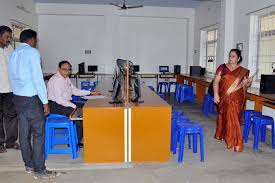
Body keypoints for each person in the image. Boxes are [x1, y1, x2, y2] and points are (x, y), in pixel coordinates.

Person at [8, 29, 59, 179]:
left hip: (17, 98)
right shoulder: (33, 53)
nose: (36, 42)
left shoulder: (13, 54)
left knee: (23, 135)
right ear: (31, 40)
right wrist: (45, 102)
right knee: (38, 134)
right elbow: (38, 79)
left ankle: (29, 166)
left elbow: (12, 77)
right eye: (36, 40)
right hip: (31, 99)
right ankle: (40, 170)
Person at [47, 60, 100, 147]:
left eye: (69, 70)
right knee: (78, 113)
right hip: (55, 105)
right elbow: (59, 100)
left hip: (65, 102)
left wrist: (90, 92)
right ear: (59, 69)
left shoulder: (66, 78)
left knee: (87, 107)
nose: (67, 72)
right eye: (64, 69)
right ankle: (75, 142)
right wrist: (74, 106)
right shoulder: (56, 80)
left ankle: (84, 135)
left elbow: (74, 91)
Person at [213, 49, 253, 152]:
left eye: (233, 56)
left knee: (233, 119)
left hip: (237, 99)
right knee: (224, 116)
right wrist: (216, 94)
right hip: (224, 96)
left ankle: (234, 142)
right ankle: (224, 135)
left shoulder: (243, 71)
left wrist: (248, 82)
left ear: (238, 58)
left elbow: (246, 86)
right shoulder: (222, 67)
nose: (231, 58)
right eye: (230, 56)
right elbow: (216, 82)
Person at [0, 25, 19, 153]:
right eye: (7, 37)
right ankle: (0, 143)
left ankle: (11, 142)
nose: (9, 39)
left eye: (10, 37)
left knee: (12, 116)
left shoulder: (10, 49)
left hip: (10, 89)